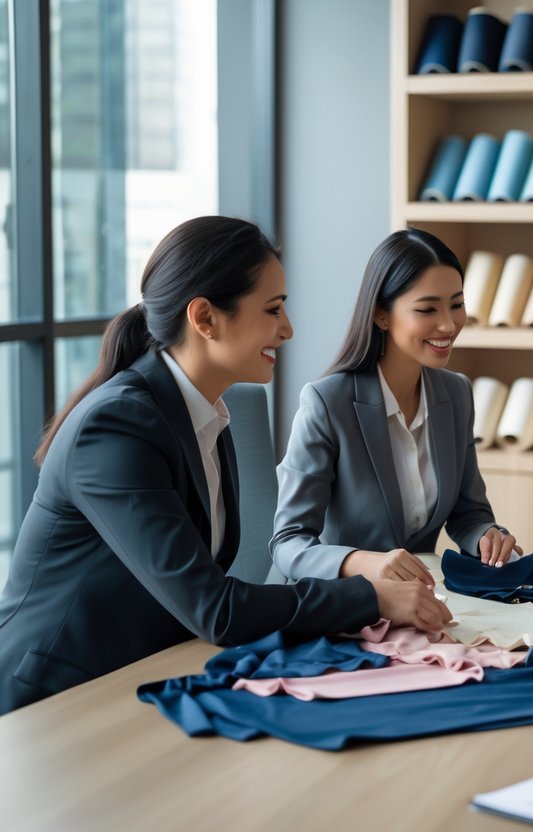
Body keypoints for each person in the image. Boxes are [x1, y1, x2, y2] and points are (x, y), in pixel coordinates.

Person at [0, 217, 450, 715]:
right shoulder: (117, 426)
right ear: (205, 319)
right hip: (49, 701)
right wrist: (370, 597)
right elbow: (213, 608)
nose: (288, 329)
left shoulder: (206, 415)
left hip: (137, 681)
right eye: (273, 309)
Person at [271, 228, 519, 586]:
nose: (449, 324)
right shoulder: (327, 404)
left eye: (457, 304)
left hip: (420, 605)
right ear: (381, 316)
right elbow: (288, 544)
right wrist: (363, 563)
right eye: (427, 309)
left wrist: (486, 536)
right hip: (340, 605)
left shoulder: (456, 394)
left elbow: (469, 513)